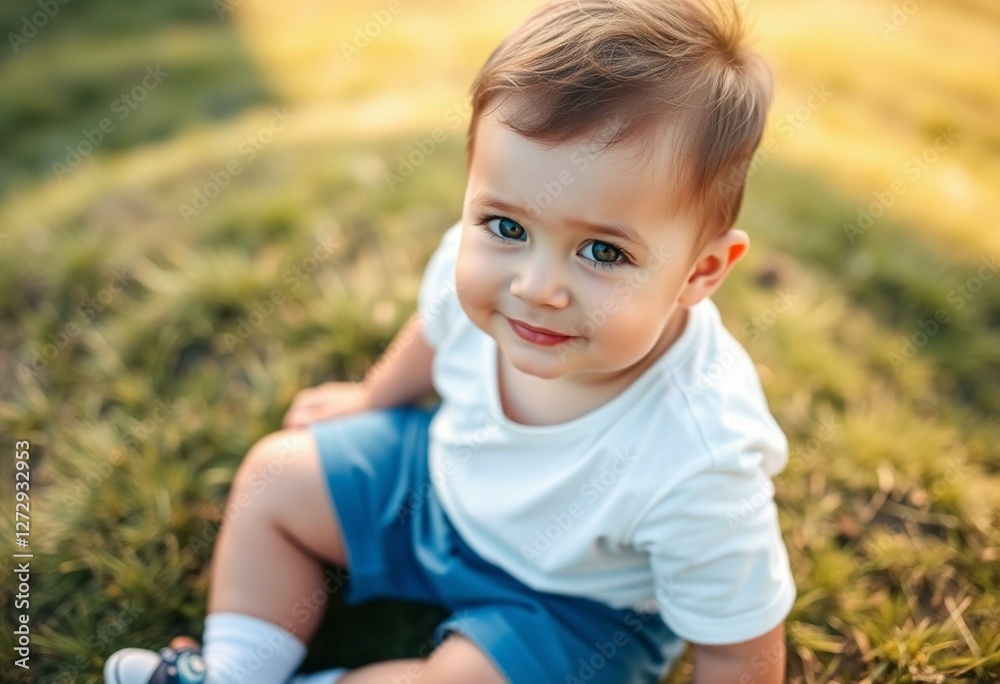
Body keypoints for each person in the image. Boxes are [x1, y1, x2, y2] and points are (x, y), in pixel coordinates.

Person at [104, 0, 795, 682]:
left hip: (572, 609)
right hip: (434, 488)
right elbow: (435, 331)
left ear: (701, 271)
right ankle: (232, 672)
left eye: (603, 253)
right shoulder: (476, 269)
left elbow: (740, 648)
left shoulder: (701, 456)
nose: (534, 286)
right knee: (275, 479)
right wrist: (374, 398)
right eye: (507, 227)